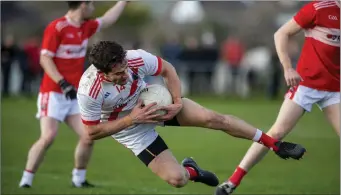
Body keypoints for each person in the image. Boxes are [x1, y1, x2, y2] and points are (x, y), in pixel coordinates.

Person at [76, 41, 306, 189]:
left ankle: (275, 145)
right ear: (103, 73)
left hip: (156, 104)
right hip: (130, 129)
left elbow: (168, 70)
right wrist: (132, 119)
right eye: (118, 73)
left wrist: (176, 101)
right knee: (178, 180)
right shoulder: (89, 91)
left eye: (126, 67)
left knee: (214, 119)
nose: (126, 73)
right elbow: (91, 132)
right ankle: (192, 170)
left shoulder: (135, 58)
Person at [215, 1, 340, 194]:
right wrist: (287, 67)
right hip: (306, 86)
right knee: (276, 133)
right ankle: (232, 182)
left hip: (334, 89)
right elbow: (281, 33)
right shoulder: (318, 9)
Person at [19, 1, 129, 188]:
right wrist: (62, 83)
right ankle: (26, 181)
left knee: (88, 135)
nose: (93, 8)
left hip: (74, 94)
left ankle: (79, 179)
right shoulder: (57, 27)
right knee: (48, 136)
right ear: (83, 5)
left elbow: (108, 19)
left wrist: (123, 2)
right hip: (53, 92)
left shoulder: (86, 27)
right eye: (91, 4)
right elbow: (45, 58)